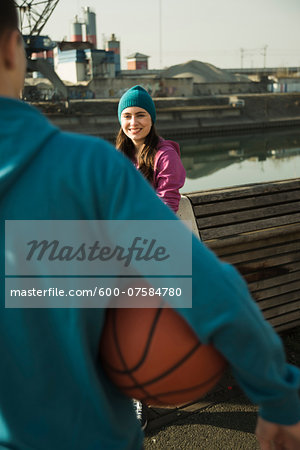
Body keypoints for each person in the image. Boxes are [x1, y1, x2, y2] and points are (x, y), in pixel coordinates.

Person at [0, 2, 300, 449]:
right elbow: (203, 284)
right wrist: (278, 395)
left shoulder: (131, 160)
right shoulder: (90, 168)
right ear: (12, 48)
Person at [116, 85, 186, 213]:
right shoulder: (118, 156)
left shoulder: (166, 156)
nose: (133, 122)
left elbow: (167, 204)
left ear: (151, 119)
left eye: (140, 115)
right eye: (127, 116)